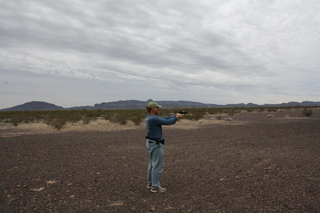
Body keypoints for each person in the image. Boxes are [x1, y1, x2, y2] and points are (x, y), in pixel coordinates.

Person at [145, 101, 184, 193]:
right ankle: (155, 187)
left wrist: (174, 116)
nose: (159, 109)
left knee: (152, 164)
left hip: (152, 143)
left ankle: (151, 183)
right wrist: (176, 118)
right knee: (158, 166)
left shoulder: (150, 118)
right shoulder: (153, 119)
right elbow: (167, 121)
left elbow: (164, 119)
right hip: (156, 144)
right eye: (157, 107)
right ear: (153, 108)